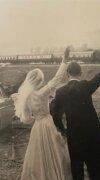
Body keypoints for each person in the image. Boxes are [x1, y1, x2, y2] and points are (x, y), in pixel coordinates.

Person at [51, 37, 100, 180]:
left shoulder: (60, 92)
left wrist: (62, 130)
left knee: (77, 170)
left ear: (68, 74)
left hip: (74, 137)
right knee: (95, 171)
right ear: (80, 73)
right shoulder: (86, 86)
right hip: (92, 136)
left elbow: (54, 114)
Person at [12, 47, 72, 180]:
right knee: (55, 151)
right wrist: (64, 61)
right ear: (40, 81)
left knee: (38, 155)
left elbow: (26, 119)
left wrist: (35, 119)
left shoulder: (26, 97)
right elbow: (57, 79)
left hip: (38, 126)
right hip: (47, 123)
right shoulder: (43, 92)